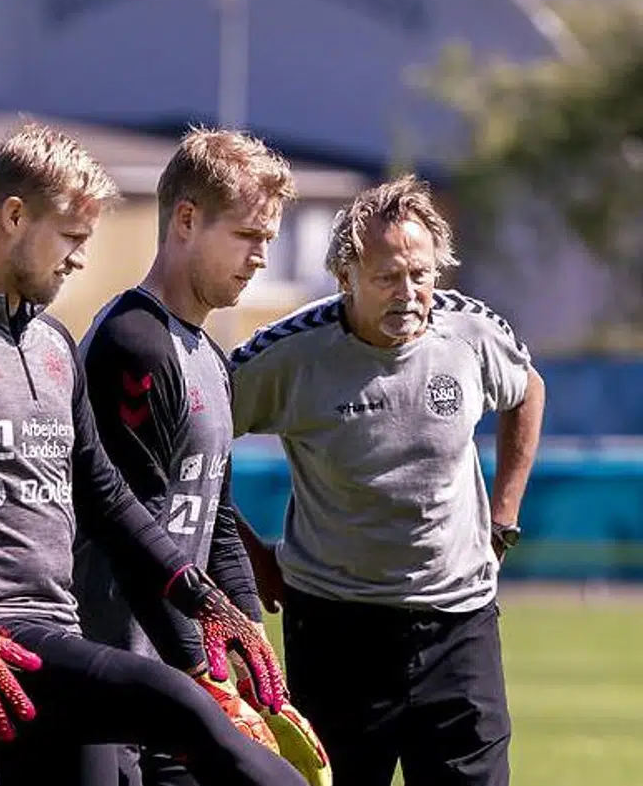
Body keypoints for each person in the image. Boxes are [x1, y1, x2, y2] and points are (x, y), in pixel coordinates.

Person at [0, 121, 308, 786]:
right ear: (15, 216)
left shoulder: (54, 344)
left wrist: (204, 597)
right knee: (182, 707)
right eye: (73, 238)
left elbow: (108, 499)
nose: (81, 259)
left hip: (54, 636)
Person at [228, 174, 545, 786]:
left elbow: (526, 390)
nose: (409, 292)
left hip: (460, 624)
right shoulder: (286, 356)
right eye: (387, 277)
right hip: (335, 629)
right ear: (345, 277)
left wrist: (502, 519)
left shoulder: (473, 332)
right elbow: (193, 444)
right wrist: (250, 560)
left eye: (421, 274)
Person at [75, 128, 328, 786]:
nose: (260, 258)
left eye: (268, 241)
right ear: (186, 220)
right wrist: (203, 677)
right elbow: (130, 533)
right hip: (116, 679)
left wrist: (248, 646)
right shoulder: (133, 344)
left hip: (178, 676)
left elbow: (214, 518)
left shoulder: (210, 356)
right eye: (247, 237)